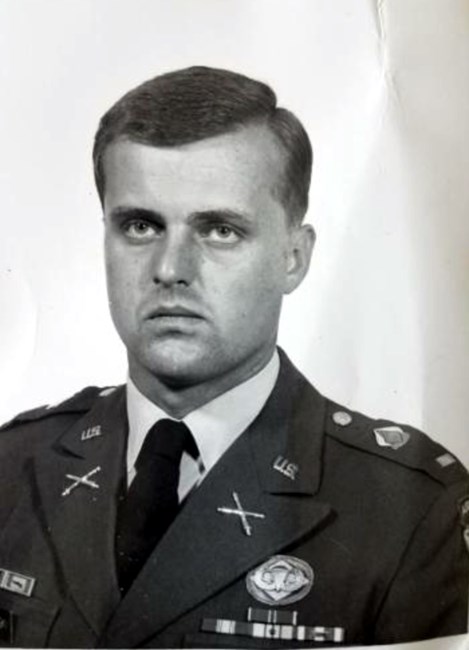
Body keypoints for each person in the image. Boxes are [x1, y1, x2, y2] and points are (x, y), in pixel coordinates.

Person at [0, 66, 467, 649]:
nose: (170, 269)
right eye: (140, 226)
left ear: (293, 258)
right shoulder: (12, 467)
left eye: (220, 230)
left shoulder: (409, 509)